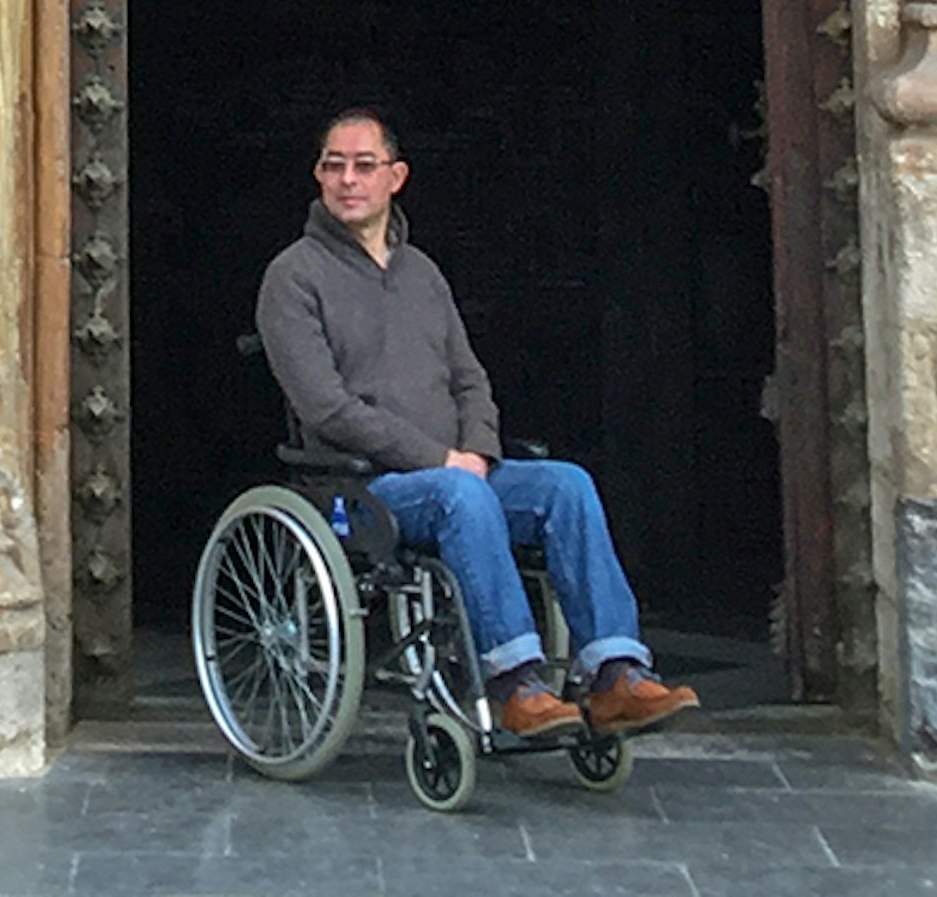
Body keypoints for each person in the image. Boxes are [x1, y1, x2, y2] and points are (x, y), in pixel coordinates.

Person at [255, 105, 700, 741]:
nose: (348, 179)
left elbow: (470, 380)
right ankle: (515, 682)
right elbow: (326, 408)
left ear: (396, 177)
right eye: (334, 165)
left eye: (364, 165)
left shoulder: (422, 274)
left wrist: (480, 451)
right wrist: (442, 461)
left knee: (564, 484)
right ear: (318, 176)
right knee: (461, 494)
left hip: (457, 477)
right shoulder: (293, 276)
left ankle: (615, 674)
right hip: (358, 493)